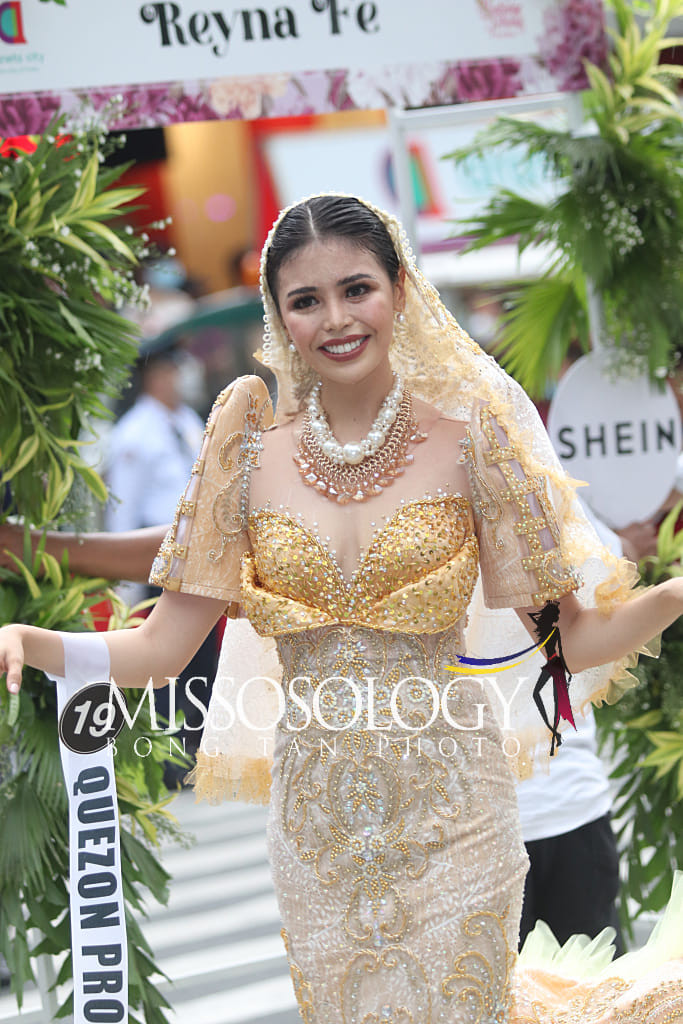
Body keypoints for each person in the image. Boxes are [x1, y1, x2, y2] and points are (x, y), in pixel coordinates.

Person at [2, 195, 683, 1023]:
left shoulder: (473, 441)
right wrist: (26, 638)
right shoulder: (243, 449)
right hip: (318, 838)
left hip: (460, 816)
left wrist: (675, 592)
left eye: (356, 289)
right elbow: (160, 652)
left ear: (399, 288)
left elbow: (574, 641)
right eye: (305, 300)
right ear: (278, 316)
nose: (335, 319)